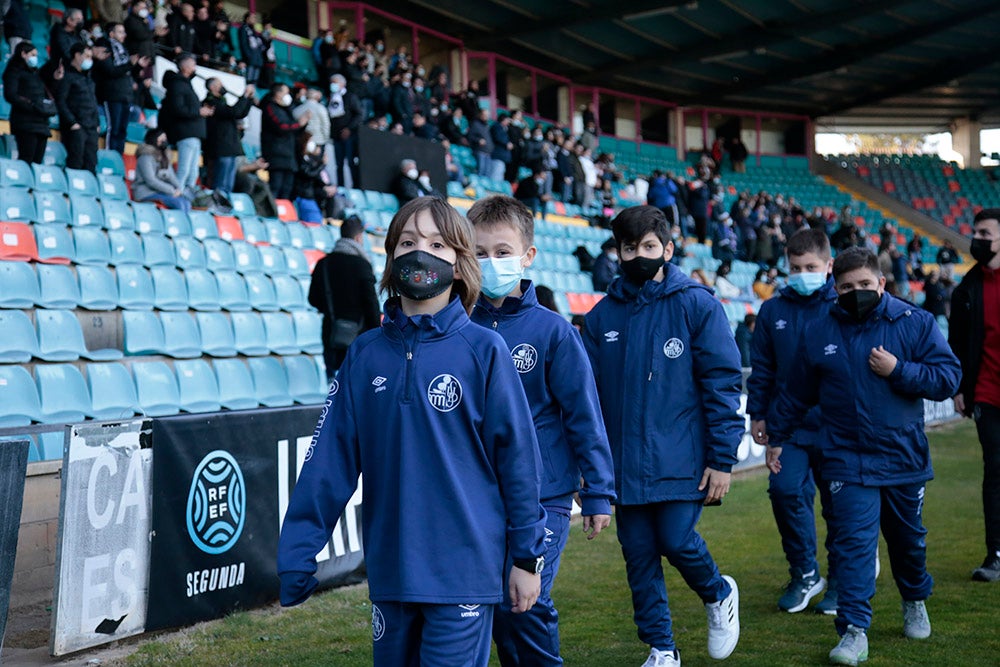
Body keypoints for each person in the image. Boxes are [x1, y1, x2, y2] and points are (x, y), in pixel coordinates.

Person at [279, 197, 547, 667]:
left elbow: (519, 463)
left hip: (464, 571)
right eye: (408, 242)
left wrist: (526, 558)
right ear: (389, 259)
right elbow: (329, 461)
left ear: (461, 264)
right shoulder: (364, 355)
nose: (419, 253)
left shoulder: (485, 351)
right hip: (392, 573)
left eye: (437, 244)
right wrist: (299, 552)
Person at [769, 247, 961, 666]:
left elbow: (948, 378)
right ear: (834, 289)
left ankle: (914, 598)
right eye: (846, 287)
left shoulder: (915, 323)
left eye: (863, 285)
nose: (855, 292)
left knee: (908, 542)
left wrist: (899, 371)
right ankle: (854, 631)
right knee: (853, 545)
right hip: (845, 458)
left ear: (882, 283)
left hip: (903, 458)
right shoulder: (819, 332)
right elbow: (796, 393)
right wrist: (776, 438)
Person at [582, 206, 742, 666]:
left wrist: (723, 458)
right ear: (617, 252)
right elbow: (586, 403)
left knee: (675, 540)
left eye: (648, 247)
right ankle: (662, 649)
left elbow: (723, 384)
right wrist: (591, 472)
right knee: (638, 556)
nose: (638, 256)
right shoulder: (600, 318)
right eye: (629, 248)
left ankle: (717, 593)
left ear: (668, 250)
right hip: (622, 466)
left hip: (682, 460)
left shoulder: (697, 303)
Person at [467, 196, 616, 666]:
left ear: (528, 255)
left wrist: (597, 491)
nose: (491, 263)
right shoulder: (453, 327)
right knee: (491, 606)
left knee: (523, 600)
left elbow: (583, 415)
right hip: (475, 496)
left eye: (503, 251)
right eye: (479, 253)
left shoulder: (553, 332)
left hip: (544, 495)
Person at [747, 228, 840, 616]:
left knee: (841, 506)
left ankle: (842, 579)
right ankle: (804, 572)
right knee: (785, 492)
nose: (803, 273)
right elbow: (764, 367)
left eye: (811, 267)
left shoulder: (844, 303)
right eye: (796, 267)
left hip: (838, 426)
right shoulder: (773, 309)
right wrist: (759, 413)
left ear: (829, 266)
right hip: (789, 427)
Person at [949, 209, 1000, 583]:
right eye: (975, 232)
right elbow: (955, 345)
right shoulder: (967, 288)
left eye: (985, 232)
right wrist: (960, 389)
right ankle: (995, 555)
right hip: (986, 394)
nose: (977, 239)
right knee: (995, 471)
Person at [307, 215, 380, 377]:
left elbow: (313, 299)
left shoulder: (324, 264)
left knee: (333, 386)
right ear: (358, 237)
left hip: (332, 333)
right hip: (359, 335)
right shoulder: (363, 265)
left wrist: (332, 310)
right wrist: (376, 332)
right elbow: (371, 303)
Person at [160, 53, 213, 195]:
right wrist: (198, 111)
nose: (195, 68)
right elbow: (178, 109)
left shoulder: (185, 83)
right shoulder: (177, 84)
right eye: (193, 64)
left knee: (192, 172)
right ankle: (176, 195)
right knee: (184, 170)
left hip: (193, 133)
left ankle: (187, 197)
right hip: (186, 133)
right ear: (186, 67)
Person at [3, 41, 57, 164]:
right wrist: (32, 106)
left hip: (41, 123)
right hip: (24, 123)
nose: (35, 58)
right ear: (23, 54)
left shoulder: (36, 73)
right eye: (32, 54)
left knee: (37, 162)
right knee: (26, 158)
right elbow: (10, 95)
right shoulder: (13, 71)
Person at [93, 22, 142, 155]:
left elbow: (127, 72)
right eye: (120, 32)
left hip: (125, 95)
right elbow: (110, 71)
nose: (124, 35)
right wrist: (129, 64)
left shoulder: (123, 49)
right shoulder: (104, 47)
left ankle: (118, 159)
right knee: (113, 129)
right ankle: (110, 157)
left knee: (122, 131)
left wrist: (138, 66)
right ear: (111, 34)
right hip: (111, 95)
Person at [202, 78, 255, 197]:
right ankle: (217, 202)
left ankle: (225, 202)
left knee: (228, 183)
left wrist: (249, 99)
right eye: (220, 84)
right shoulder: (210, 102)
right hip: (221, 146)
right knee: (221, 181)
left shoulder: (221, 102)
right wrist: (244, 96)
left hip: (229, 146)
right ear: (213, 87)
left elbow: (241, 113)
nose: (223, 86)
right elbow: (234, 112)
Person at [260, 83, 309, 200]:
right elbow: (281, 127)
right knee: (275, 187)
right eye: (286, 93)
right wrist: (299, 123)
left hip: (289, 155)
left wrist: (304, 123)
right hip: (275, 154)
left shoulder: (287, 110)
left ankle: (284, 215)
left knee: (287, 189)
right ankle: (272, 214)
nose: (288, 96)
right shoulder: (269, 107)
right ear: (277, 93)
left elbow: (294, 130)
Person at [57, 43, 100, 173]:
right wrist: (72, 123)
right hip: (76, 126)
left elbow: (93, 102)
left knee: (91, 162)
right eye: (87, 56)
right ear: (77, 55)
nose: (89, 60)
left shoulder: (89, 78)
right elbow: (61, 101)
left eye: (91, 57)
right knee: (75, 161)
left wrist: (97, 122)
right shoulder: (67, 76)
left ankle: (88, 191)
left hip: (91, 126)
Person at [133, 129, 191, 211]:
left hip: (161, 192)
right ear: (154, 138)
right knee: (178, 203)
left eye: (165, 138)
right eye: (162, 138)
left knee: (186, 203)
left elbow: (172, 177)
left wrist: (179, 189)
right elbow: (151, 181)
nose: (165, 140)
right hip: (146, 193)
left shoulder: (164, 157)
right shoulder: (145, 157)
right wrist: (171, 190)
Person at [328, 73, 363, 188]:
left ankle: (355, 186)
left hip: (349, 136)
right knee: (339, 164)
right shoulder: (332, 98)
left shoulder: (350, 97)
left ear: (343, 84)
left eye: (335, 82)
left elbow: (359, 115)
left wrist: (349, 128)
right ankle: (341, 186)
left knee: (351, 163)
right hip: (336, 136)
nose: (332, 85)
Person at [237, 12, 263, 85]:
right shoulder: (243, 29)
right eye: (253, 18)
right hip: (250, 60)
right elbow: (243, 44)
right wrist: (248, 57)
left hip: (257, 60)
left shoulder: (254, 31)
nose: (255, 20)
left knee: (254, 82)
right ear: (247, 19)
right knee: (248, 81)